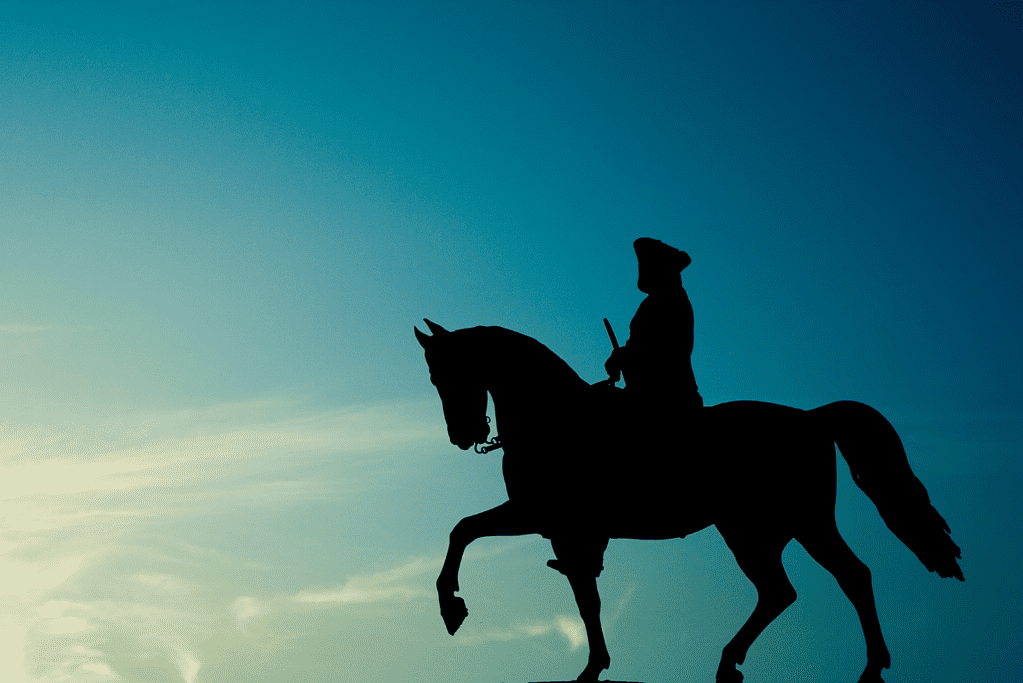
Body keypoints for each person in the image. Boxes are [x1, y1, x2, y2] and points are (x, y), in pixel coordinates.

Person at [604, 238, 703, 434]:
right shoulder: (652, 303)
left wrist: (626, 357)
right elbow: (638, 345)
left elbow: (670, 351)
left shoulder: (674, 302)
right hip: (642, 392)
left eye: (648, 264)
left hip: (669, 399)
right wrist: (622, 357)